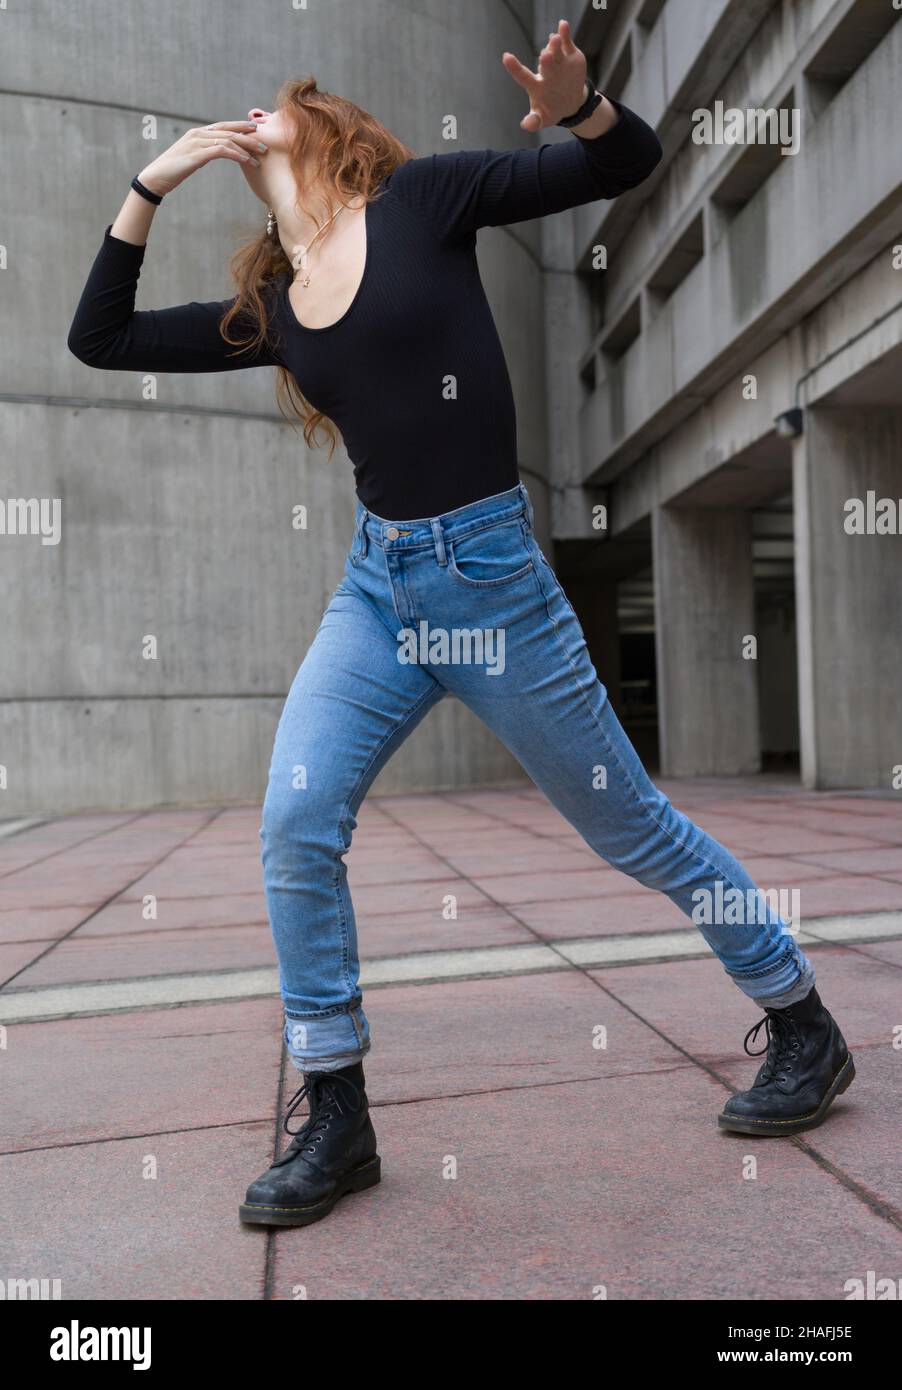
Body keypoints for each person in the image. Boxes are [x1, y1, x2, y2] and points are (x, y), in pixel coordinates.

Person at [68, 20, 853, 1230]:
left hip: (494, 585)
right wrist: (147, 183)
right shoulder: (272, 307)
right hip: (378, 593)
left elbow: (618, 165)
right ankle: (337, 1109)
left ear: (323, 135)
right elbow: (102, 337)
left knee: (631, 827)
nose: (258, 115)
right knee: (292, 819)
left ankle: (801, 1023)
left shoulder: (426, 200)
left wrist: (582, 108)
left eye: (283, 104)